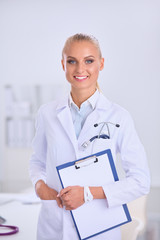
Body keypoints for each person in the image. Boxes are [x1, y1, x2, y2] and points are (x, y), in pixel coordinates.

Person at [29, 33, 150, 240]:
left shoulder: (119, 117)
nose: (80, 69)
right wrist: (40, 186)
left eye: (89, 61)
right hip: (53, 228)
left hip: (99, 230)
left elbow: (141, 181)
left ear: (101, 64)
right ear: (63, 64)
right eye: (72, 61)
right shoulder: (47, 113)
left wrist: (87, 193)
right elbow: (37, 161)